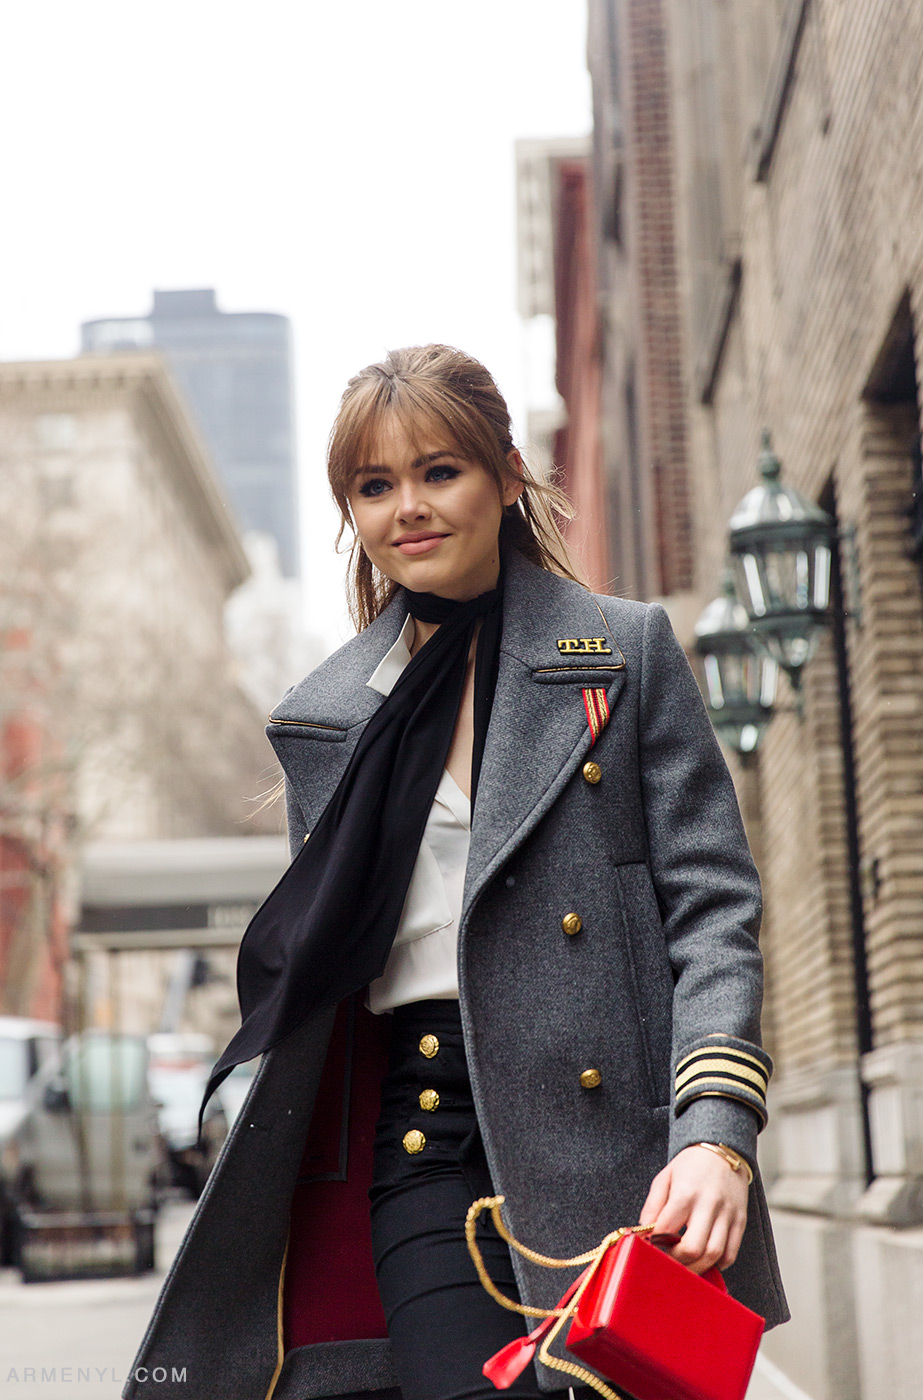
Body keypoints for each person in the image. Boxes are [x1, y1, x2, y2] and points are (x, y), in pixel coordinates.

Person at [123, 345, 788, 1400]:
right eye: (374, 485)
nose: (408, 509)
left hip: (622, 1146)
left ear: (506, 475)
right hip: (425, 1151)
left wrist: (714, 1132)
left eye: (439, 470)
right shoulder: (326, 717)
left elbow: (713, 916)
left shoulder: (622, 654)